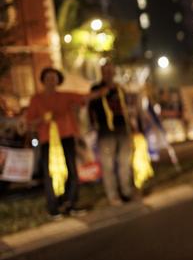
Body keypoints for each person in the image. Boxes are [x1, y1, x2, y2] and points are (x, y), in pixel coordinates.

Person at [25, 67, 106, 218]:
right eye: (48, 77)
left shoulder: (65, 96)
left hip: (67, 137)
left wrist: (102, 91)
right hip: (47, 141)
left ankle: (70, 203)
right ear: (43, 80)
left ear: (58, 80)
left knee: (72, 171)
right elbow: (29, 122)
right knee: (50, 174)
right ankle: (53, 207)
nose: (52, 80)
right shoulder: (36, 99)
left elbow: (85, 97)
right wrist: (43, 119)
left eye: (54, 77)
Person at [88, 62, 135, 206]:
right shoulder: (96, 88)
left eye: (111, 71)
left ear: (114, 72)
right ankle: (113, 196)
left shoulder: (120, 88)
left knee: (125, 163)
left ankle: (127, 192)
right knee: (108, 165)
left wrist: (133, 125)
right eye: (105, 71)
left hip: (123, 129)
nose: (108, 74)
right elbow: (89, 108)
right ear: (101, 73)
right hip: (105, 131)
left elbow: (128, 107)